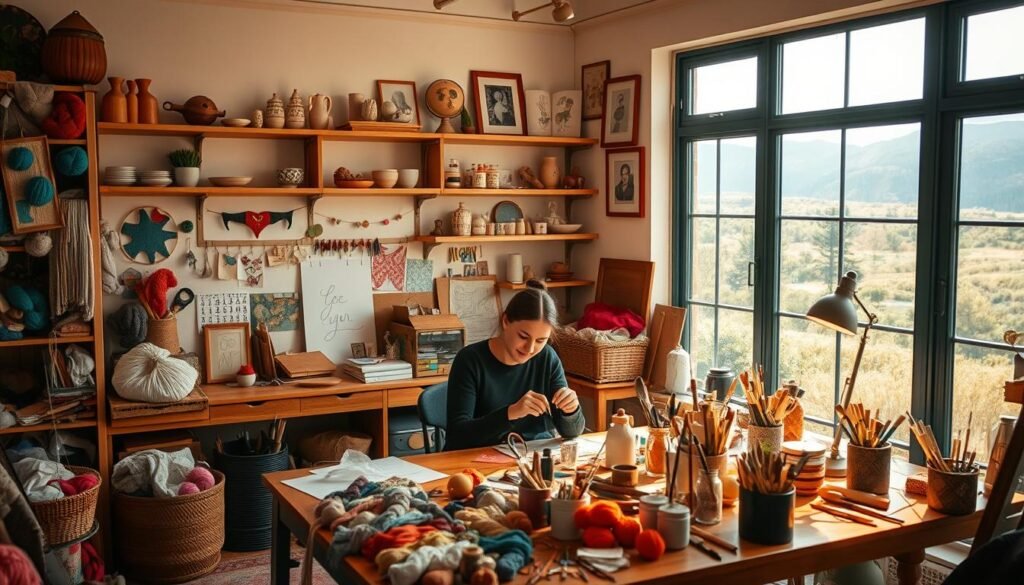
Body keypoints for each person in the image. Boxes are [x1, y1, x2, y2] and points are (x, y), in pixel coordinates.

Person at [445, 280, 585, 451]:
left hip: (534, 459)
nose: (530, 348)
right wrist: (510, 413)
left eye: (541, 340)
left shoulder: (547, 357)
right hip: (478, 462)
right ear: (505, 321)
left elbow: (571, 433)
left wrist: (571, 410)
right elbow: (457, 436)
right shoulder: (470, 360)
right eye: (523, 336)